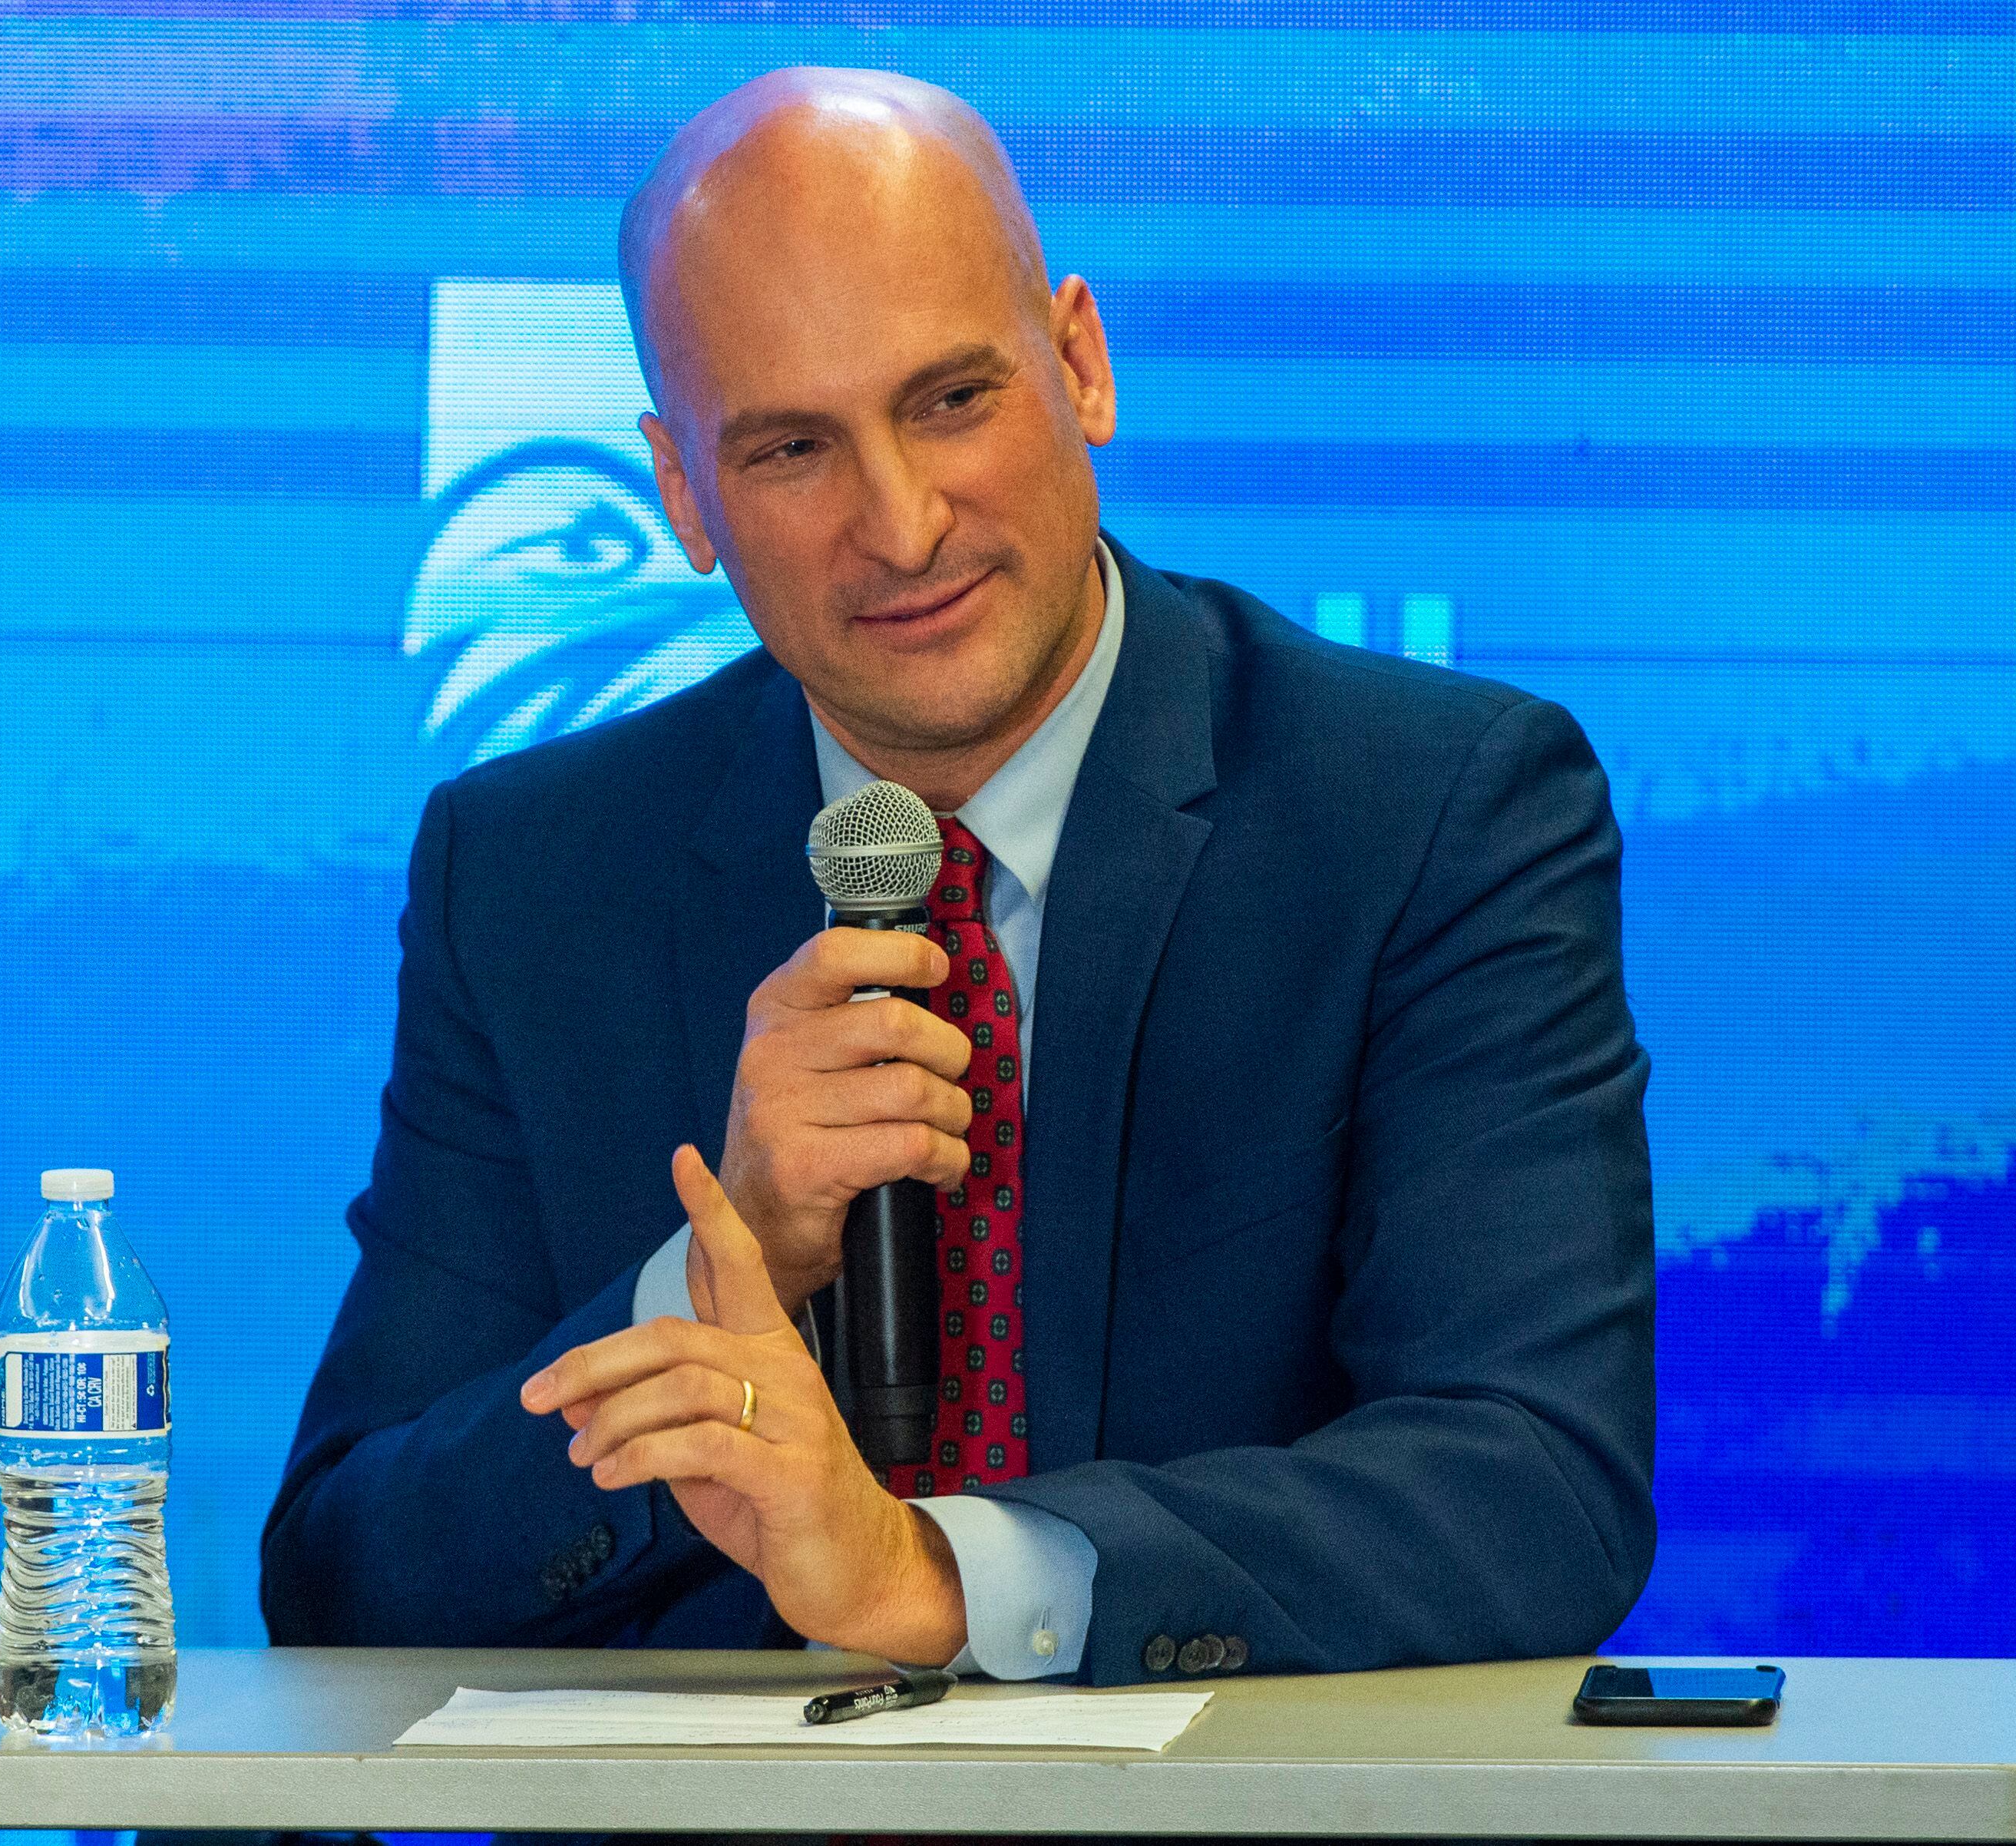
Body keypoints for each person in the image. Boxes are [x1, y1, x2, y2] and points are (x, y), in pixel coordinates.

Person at [261, 65, 1656, 1684]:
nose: (902, 524)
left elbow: (1534, 1482)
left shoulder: (1429, 811)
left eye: (949, 400)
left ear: (1078, 363)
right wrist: (726, 1282)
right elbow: (347, 1578)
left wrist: (936, 1574)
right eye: (790, 446)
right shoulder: (530, 876)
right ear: (680, 494)